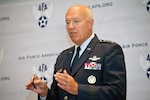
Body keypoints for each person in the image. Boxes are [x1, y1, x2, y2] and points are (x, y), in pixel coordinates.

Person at [26, 4, 126, 100]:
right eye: (67, 22)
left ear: (90, 23)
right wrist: (45, 93)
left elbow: (117, 93)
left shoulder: (108, 50)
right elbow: (58, 96)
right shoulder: (63, 57)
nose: (70, 27)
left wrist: (78, 89)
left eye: (76, 21)